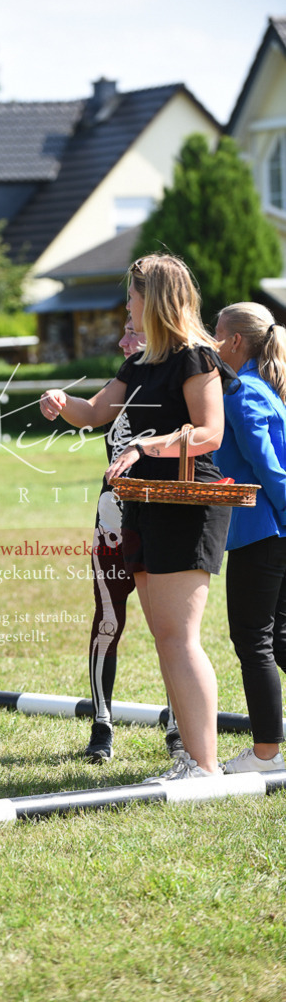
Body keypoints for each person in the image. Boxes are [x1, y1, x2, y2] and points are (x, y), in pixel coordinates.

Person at [40, 253, 231, 781]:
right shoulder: (141, 363)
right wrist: (62, 401)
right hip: (144, 506)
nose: (127, 305)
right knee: (167, 637)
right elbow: (97, 412)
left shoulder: (196, 357)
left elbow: (209, 432)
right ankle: (192, 760)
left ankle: (204, 765)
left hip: (187, 506)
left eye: (133, 296)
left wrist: (148, 445)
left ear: (157, 300)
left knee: (180, 637)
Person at [84, 318, 181, 763]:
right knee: (108, 620)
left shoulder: (176, 383)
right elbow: (88, 413)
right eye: (124, 330)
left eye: (133, 332)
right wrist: (63, 402)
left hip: (162, 517)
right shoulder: (118, 384)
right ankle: (101, 724)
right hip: (113, 518)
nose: (123, 341)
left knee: (172, 629)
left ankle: (180, 724)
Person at [214, 302, 286, 773]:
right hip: (267, 531)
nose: (211, 341)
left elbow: (271, 471)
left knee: (253, 641)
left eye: (216, 333)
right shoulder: (258, 389)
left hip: (262, 533)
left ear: (236, 341)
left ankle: (266, 756)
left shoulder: (243, 393)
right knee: (279, 640)